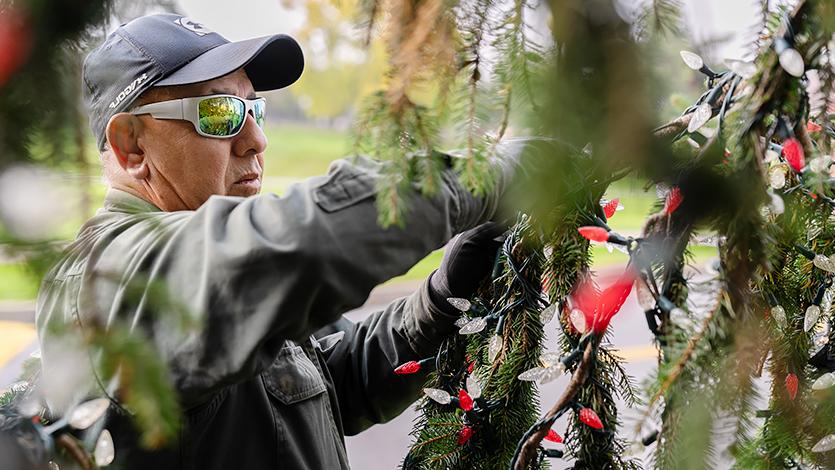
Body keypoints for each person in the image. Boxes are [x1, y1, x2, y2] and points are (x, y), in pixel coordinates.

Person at [35, 13, 529, 469]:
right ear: (132, 145)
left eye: (255, 109)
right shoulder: (110, 279)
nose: (255, 139)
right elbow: (306, 243)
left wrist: (441, 299)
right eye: (222, 113)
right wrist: (492, 176)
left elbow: (338, 380)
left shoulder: (221, 272)